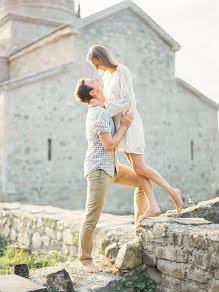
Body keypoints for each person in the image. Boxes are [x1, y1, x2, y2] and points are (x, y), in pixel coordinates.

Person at [87, 45, 183, 223]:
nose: (96, 68)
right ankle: (153, 205)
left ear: (103, 57)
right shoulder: (106, 77)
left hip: (130, 123)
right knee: (138, 169)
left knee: (140, 167)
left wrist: (103, 106)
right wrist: (97, 102)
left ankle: (172, 191)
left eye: (96, 63)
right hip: (121, 127)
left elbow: (126, 100)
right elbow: (109, 100)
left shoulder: (122, 70)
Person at [74, 77, 153, 273]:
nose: (95, 78)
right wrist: (125, 125)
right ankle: (85, 260)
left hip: (113, 166)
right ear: (92, 92)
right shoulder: (98, 114)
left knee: (144, 181)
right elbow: (109, 144)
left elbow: (114, 99)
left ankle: (139, 227)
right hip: (99, 170)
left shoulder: (102, 107)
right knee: (92, 216)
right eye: (91, 81)